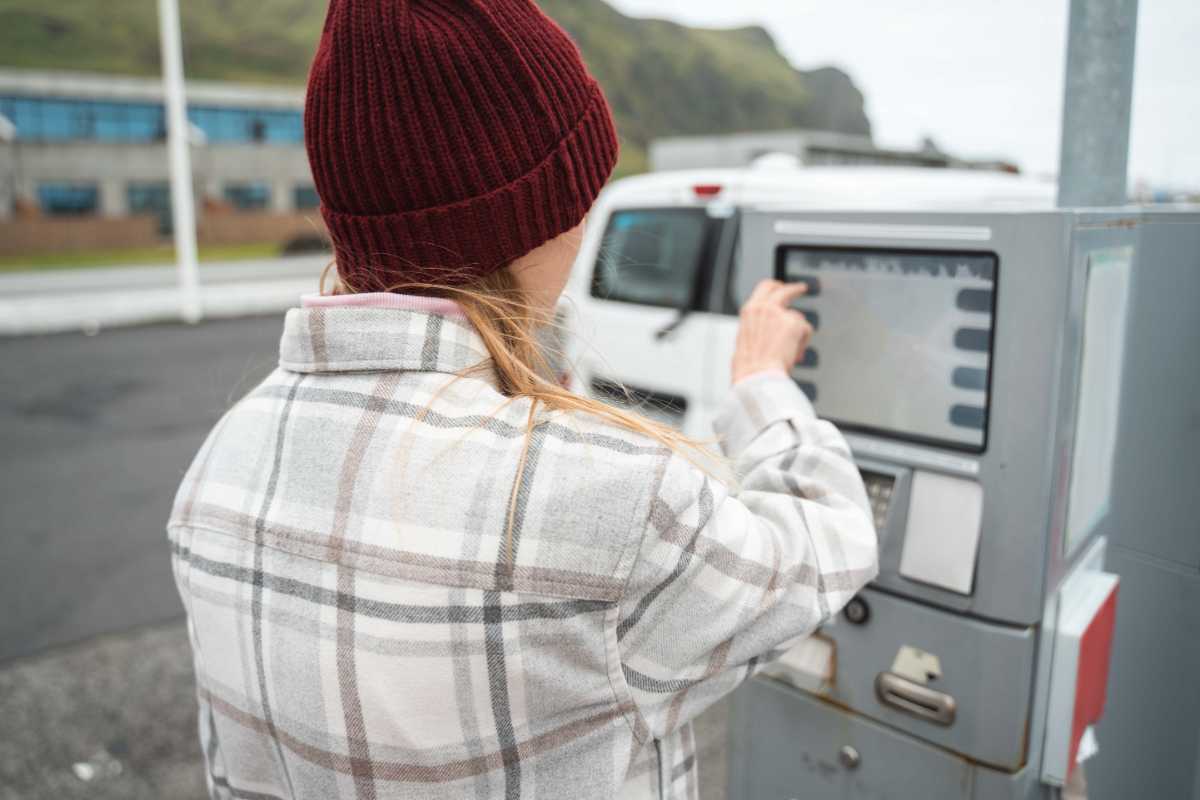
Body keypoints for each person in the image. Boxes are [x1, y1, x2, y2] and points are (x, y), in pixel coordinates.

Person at [167, 1, 879, 798]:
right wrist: (761, 386)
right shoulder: (610, 497)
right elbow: (823, 549)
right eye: (578, 195)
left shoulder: (219, 465)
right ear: (535, 219)